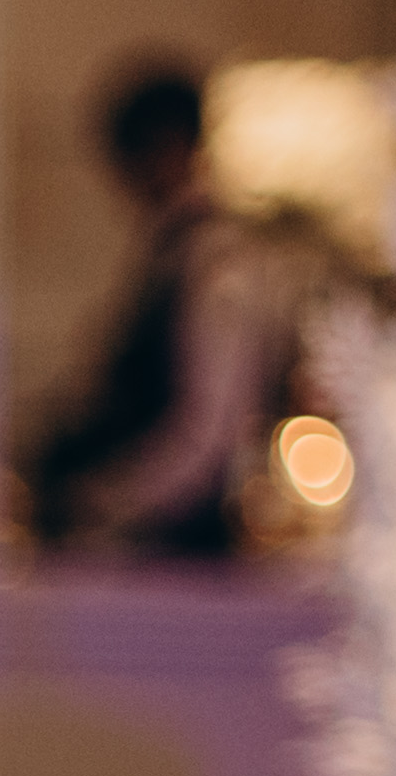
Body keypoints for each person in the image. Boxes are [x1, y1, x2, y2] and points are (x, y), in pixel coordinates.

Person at [16, 57, 296, 560]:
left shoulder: (218, 266)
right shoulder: (175, 256)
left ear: (172, 147)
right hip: (154, 532)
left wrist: (102, 504)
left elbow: (208, 436)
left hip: (177, 549)